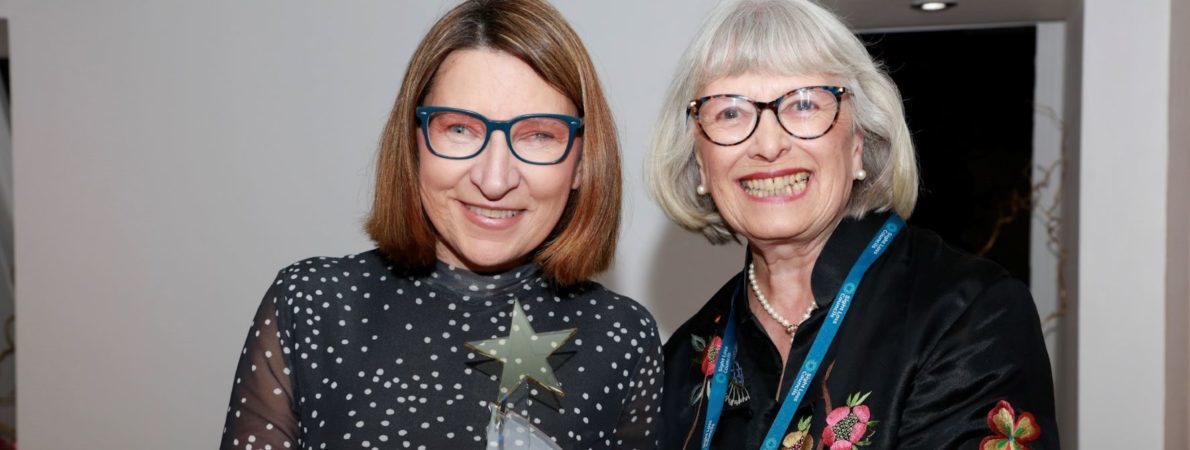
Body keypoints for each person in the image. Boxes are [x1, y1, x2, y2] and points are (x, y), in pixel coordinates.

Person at [219, 1, 662, 448]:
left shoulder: (623, 336)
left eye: (539, 135)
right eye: (460, 129)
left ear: (583, 161)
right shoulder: (312, 304)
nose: (493, 180)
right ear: (415, 143)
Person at [647, 1, 1058, 448]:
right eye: (729, 112)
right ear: (701, 164)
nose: (767, 144)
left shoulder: (967, 315)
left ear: (858, 143)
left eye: (804, 104)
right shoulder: (682, 360)